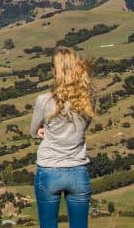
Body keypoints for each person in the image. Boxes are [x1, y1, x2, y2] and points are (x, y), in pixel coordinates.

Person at [30, 47, 94, 228]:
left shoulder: (43, 100)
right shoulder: (88, 99)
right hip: (78, 169)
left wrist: (43, 131)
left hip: (49, 169)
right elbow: (83, 128)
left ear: (54, 70)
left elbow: (33, 131)